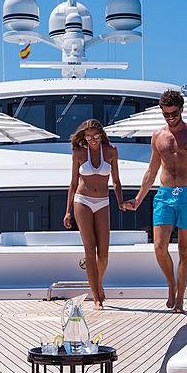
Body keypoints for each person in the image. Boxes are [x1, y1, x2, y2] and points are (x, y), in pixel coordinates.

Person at [124, 90, 187, 313]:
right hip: (164, 195)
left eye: (174, 113)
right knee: (159, 246)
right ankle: (171, 283)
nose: (170, 118)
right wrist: (138, 199)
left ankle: (180, 297)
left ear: (181, 109)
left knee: (185, 248)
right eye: (166, 114)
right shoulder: (158, 137)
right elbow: (151, 171)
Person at [64, 119, 125, 310]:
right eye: (88, 137)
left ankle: (98, 285)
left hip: (103, 202)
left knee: (104, 254)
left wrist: (121, 201)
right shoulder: (79, 153)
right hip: (82, 201)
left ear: (101, 134)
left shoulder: (111, 151)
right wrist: (67, 212)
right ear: (84, 136)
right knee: (90, 250)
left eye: (96, 136)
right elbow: (73, 183)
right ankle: (96, 296)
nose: (92, 140)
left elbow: (116, 181)